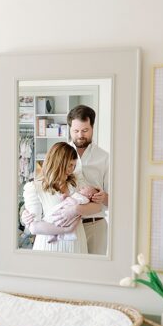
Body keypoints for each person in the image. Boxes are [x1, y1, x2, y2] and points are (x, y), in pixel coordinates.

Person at [21, 142, 94, 254]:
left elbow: (96, 206)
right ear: (58, 162)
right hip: (49, 246)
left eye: (74, 166)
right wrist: (66, 230)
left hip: (76, 242)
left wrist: (76, 209)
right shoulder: (35, 188)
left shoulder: (75, 183)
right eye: (69, 165)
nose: (71, 170)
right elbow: (34, 227)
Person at [60, 105, 110, 255]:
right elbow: (45, 185)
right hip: (66, 225)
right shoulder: (59, 154)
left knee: (96, 274)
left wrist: (104, 197)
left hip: (95, 226)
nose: (80, 135)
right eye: (76, 131)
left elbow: (114, 201)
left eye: (85, 130)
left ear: (92, 127)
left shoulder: (105, 158)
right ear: (69, 129)